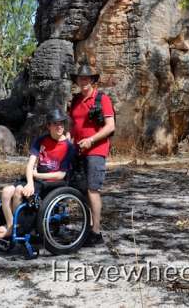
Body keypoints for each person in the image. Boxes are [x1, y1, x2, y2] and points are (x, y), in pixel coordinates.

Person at [0, 108, 75, 239]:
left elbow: (61, 175)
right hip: (35, 180)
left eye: (61, 123)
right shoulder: (41, 140)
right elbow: (30, 164)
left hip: (52, 183)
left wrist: (37, 176)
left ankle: (19, 228)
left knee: (19, 191)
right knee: (6, 191)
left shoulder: (68, 147)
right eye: (55, 123)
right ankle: (10, 226)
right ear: (49, 125)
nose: (59, 126)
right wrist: (31, 182)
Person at [68, 61, 115, 247]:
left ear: (92, 80)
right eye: (81, 78)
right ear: (77, 81)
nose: (84, 81)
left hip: (96, 150)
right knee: (81, 189)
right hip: (78, 150)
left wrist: (91, 140)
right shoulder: (75, 100)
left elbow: (111, 126)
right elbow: (72, 126)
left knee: (92, 189)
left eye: (87, 78)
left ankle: (96, 232)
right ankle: (87, 227)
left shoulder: (102, 99)